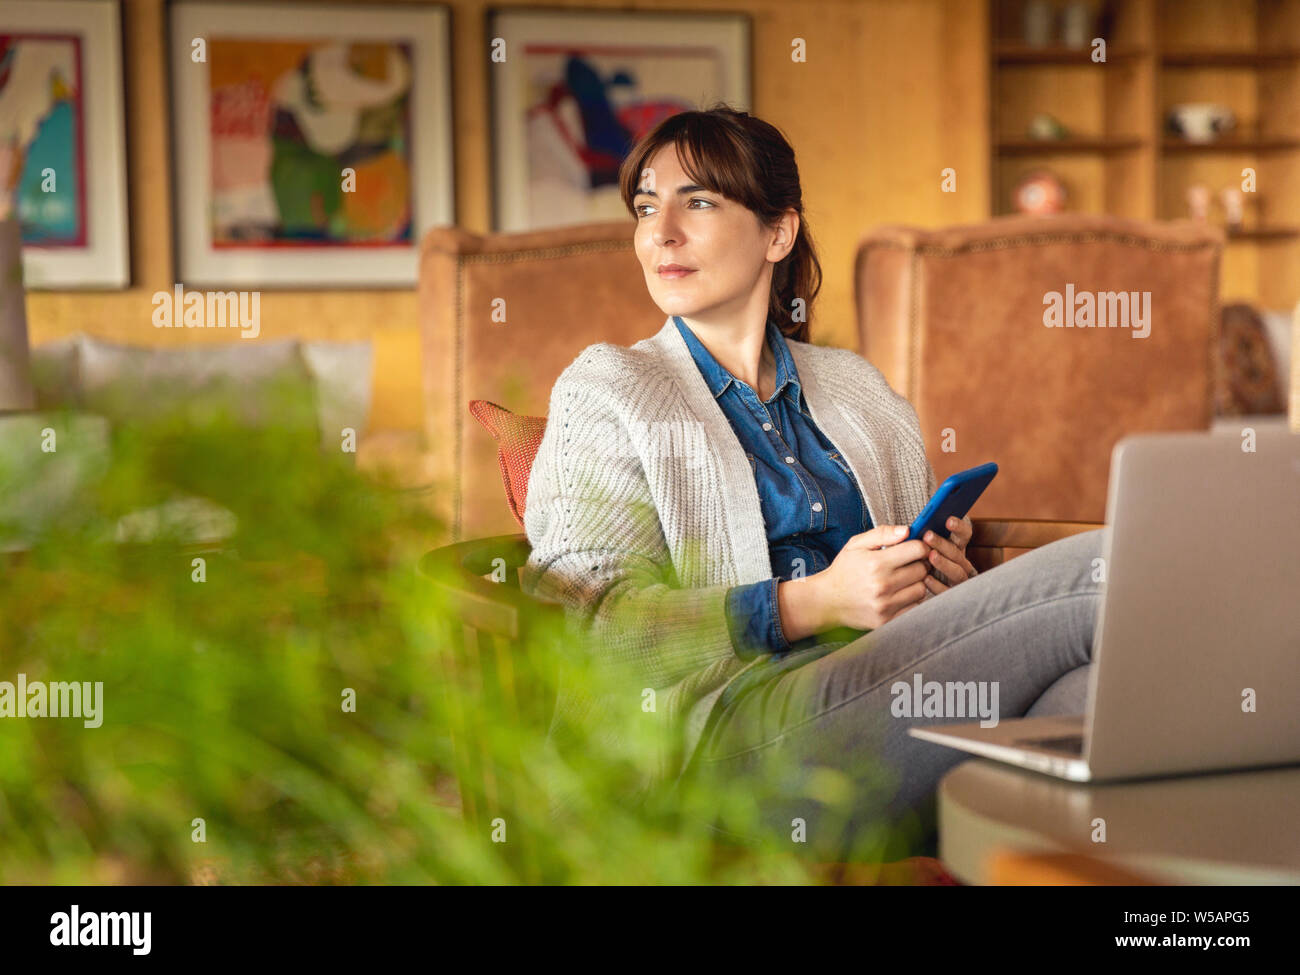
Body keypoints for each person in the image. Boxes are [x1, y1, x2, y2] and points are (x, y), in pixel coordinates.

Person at [521, 104, 1103, 859]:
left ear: (778, 232)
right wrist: (812, 601)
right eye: (645, 206)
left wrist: (939, 577)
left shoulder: (857, 388)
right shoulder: (608, 388)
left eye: (696, 201)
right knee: (1107, 570)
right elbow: (596, 631)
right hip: (724, 742)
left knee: (1097, 705)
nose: (660, 231)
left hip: (891, 709)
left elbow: (917, 601)